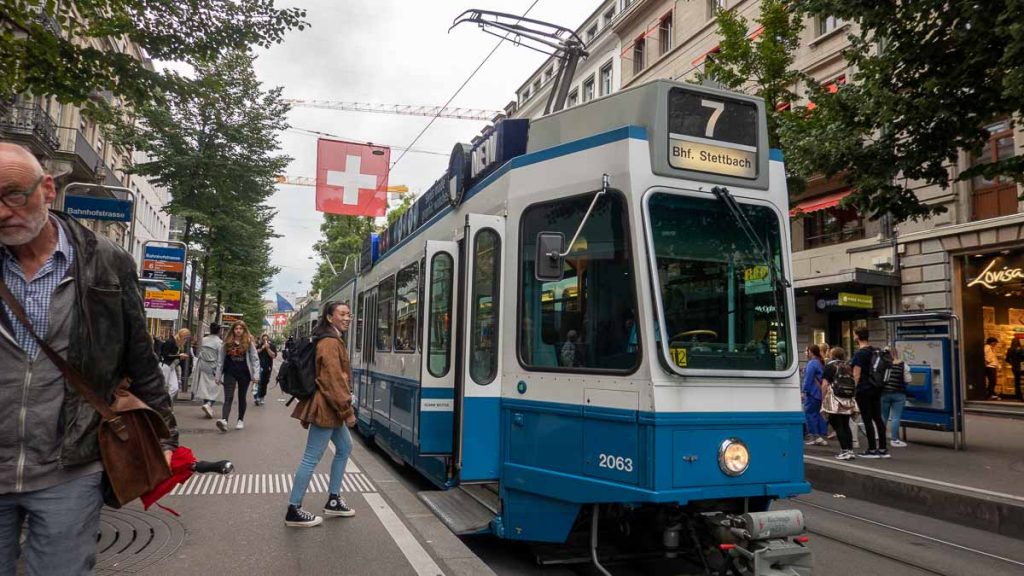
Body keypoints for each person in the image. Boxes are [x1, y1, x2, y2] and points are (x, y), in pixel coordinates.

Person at [0, 143, 177, 574]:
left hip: (70, 466)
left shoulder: (106, 261)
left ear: (47, 189)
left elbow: (139, 356)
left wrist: (165, 435)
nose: (2, 211)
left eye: (12, 194)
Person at [286, 301, 356, 528]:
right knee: (311, 458)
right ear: (329, 317)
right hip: (327, 408)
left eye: (349, 314)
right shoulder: (329, 342)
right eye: (342, 314)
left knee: (345, 448)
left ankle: (334, 499)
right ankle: (293, 509)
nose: (347, 318)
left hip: (329, 407)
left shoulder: (331, 339)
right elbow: (332, 380)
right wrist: (347, 411)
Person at [850, 327, 889, 458]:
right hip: (876, 388)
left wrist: (853, 390)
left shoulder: (860, 354)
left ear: (857, 337)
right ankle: (883, 448)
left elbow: (856, 374)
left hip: (864, 389)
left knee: (867, 419)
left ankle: (872, 448)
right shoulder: (875, 351)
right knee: (878, 418)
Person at [214, 320, 259, 431]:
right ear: (233, 330)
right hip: (230, 372)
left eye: (240, 329)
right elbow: (220, 360)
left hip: (244, 374)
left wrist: (256, 376)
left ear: (244, 330)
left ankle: (240, 420)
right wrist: (218, 375)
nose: (238, 331)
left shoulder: (248, 343)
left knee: (241, 397)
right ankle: (224, 420)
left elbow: (255, 359)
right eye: (236, 328)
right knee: (228, 397)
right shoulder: (227, 343)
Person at [820, 346, 860, 460]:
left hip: (835, 399)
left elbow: (824, 384)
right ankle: (850, 450)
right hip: (847, 397)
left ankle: (844, 450)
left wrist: (823, 399)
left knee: (837, 424)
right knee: (845, 424)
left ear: (832, 355)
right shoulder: (848, 365)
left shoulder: (830, 366)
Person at [880, 347, 913, 448]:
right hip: (899, 393)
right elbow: (908, 379)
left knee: (883, 416)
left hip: (884, 393)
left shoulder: (882, 365)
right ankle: (894, 439)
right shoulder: (904, 365)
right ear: (896, 354)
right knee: (895, 417)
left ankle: (881, 437)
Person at [193, 323, 223, 417]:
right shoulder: (220, 343)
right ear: (219, 331)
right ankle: (209, 404)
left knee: (204, 387)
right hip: (214, 367)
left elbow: (200, 352)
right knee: (217, 388)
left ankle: (207, 406)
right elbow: (221, 357)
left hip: (203, 366)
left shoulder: (204, 340)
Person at [802, 344, 828, 446]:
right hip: (820, 392)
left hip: (813, 392)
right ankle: (820, 435)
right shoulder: (820, 362)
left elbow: (808, 379)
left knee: (810, 413)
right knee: (819, 414)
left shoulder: (812, 363)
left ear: (810, 352)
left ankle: (814, 435)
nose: (805, 353)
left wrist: (804, 391)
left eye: (806, 351)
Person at [255, 333, 277, 406]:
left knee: (264, 383)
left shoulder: (272, 346)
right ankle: (257, 397)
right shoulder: (259, 345)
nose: (265, 340)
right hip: (258, 366)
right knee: (258, 382)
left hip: (267, 367)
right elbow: (255, 353)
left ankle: (262, 397)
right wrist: (262, 348)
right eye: (263, 339)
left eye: (266, 339)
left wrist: (267, 348)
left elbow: (273, 355)